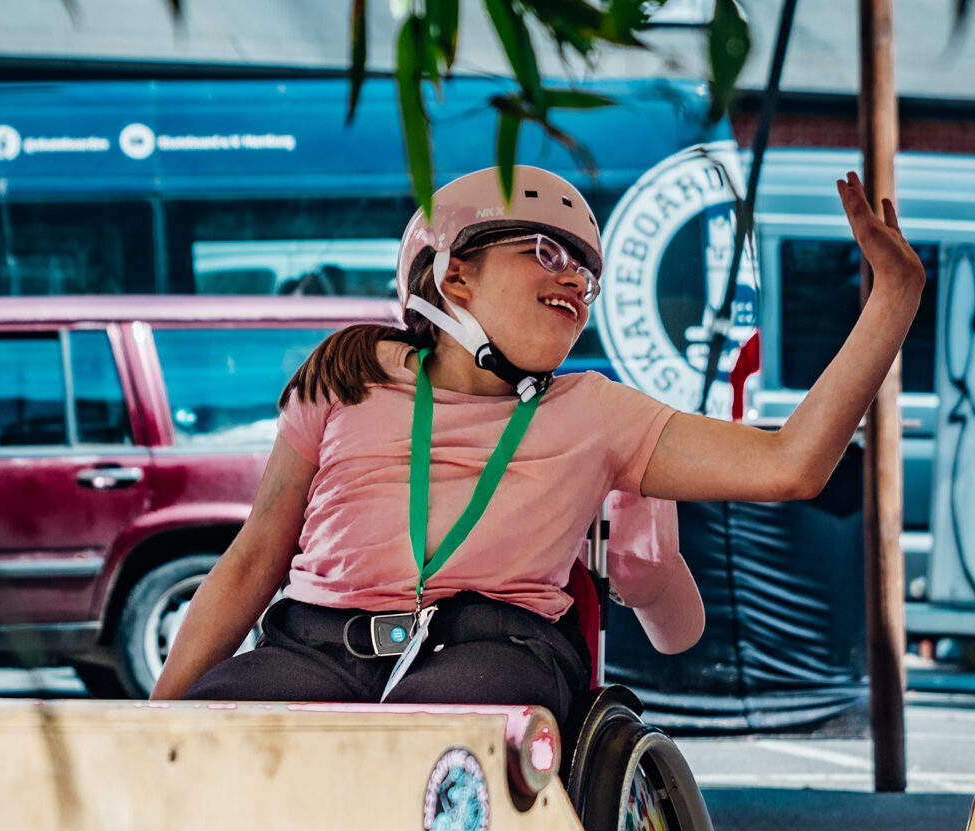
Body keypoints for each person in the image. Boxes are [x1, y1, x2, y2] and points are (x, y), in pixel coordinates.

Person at [151, 165, 923, 716]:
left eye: (585, 275)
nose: (576, 284)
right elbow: (255, 558)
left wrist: (893, 299)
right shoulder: (348, 373)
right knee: (219, 729)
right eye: (545, 254)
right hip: (315, 644)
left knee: (443, 733)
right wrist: (155, 724)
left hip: (494, 649)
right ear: (454, 278)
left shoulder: (596, 410)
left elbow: (791, 465)